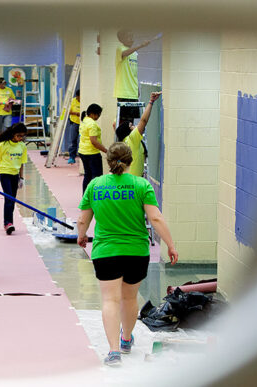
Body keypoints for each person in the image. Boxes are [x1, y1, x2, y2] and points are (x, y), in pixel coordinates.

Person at [77, 142, 178, 367]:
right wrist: (170, 245)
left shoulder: (95, 185)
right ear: (131, 160)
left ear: (108, 160)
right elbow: (156, 218)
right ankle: (125, 340)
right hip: (135, 252)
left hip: (106, 251)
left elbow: (83, 219)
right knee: (129, 298)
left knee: (110, 300)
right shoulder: (141, 185)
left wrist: (81, 235)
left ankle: (113, 352)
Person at [115, 30, 159, 124]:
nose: (131, 39)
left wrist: (137, 88)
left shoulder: (135, 54)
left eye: (132, 36)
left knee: (131, 122)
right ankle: (123, 139)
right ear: (122, 39)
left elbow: (133, 73)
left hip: (133, 92)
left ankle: (130, 138)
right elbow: (124, 53)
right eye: (128, 37)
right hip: (124, 93)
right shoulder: (120, 49)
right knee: (124, 123)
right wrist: (141, 46)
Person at [114, 92, 161, 177]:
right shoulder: (132, 139)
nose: (135, 126)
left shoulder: (125, 142)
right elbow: (143, 121)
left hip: (132, 179)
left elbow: (115, 126)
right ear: (127, 131)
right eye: (131, 126)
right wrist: (151, 102)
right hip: (133, 181)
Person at [0, 123, 28, 235]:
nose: (20, 138)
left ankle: (9, 223)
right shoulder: (3, 145)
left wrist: (21, 178)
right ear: (13, 134)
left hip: (15, 175)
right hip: (4, 173)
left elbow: (22, 163)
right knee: (8, 198)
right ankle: (7, 223)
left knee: (12, 200)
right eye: (18, 136)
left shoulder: (22, 146)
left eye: (22, 136)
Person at [77, 104, 107, 193]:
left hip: (83, 152)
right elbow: (94, 141)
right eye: (99, 114)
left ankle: (85, 197)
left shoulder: (84, 121)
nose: (99, 117)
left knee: (88, 175)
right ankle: (95, 197)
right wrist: (106, 151)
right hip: (92, 153)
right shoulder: (92, 124)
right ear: (93, 114)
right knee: (97, 177)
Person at [65, 90, 81, 164]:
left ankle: (81, 157)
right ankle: (72, 157)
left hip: (83, 123)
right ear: (77, 96)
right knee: (73, 140)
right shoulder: (73, 101)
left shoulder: (85, 100)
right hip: (74, 122)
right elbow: (67, 111)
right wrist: (76, 113)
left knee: (82, 141)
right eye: (79, 97)